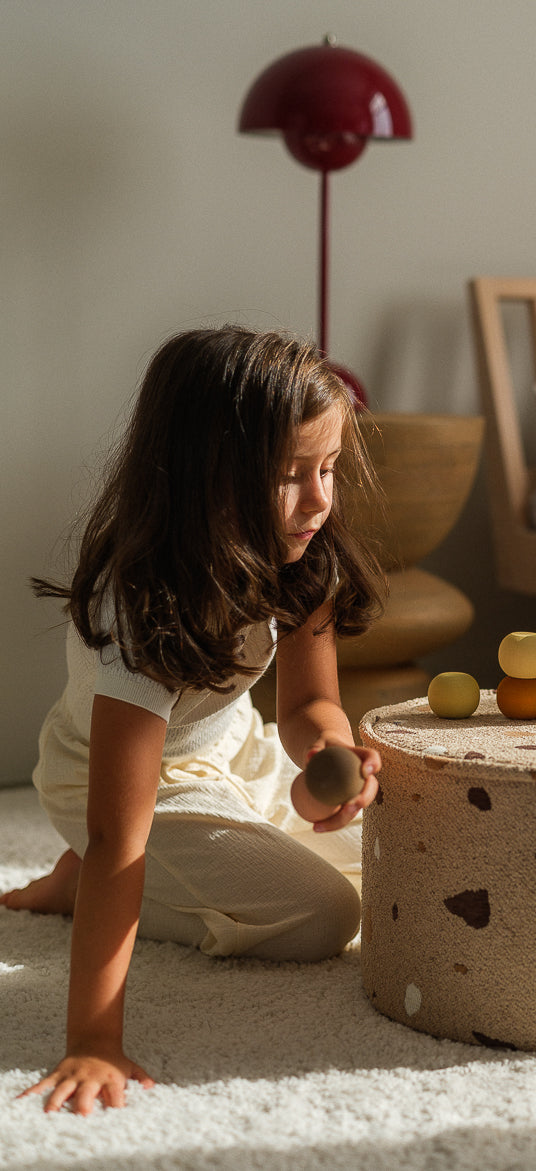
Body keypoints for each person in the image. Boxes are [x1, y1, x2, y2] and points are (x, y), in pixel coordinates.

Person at [0, 326, 386, 1115]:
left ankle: (91, 876)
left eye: (328, 468)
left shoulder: (303, 549)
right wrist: (93, 1038)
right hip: (116, 788)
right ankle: (76, 882)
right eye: (291, 476)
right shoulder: (143, 599)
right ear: (208, 478)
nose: (319, 499)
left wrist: (329, 767)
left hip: (231, 753)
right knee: (326, 917)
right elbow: (122, 836)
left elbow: (309, 708)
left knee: (401, 849)